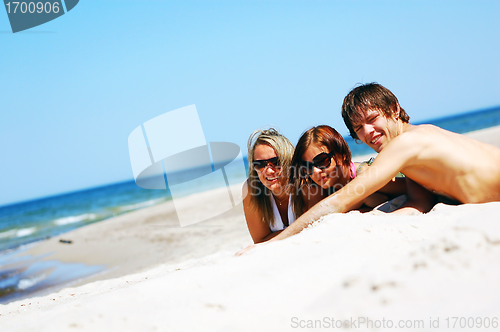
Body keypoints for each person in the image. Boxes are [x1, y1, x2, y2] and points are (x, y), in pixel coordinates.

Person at [238, 82, 500, 253]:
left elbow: (340, 200)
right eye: (358, 129)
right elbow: (420, 202)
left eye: (373, 119)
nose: (368, 133)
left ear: (394, 109)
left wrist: (272, 245)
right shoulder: (415, 149)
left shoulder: (405, 144)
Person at [288, 125, 399, 216]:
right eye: (307, 167)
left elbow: (404, 189)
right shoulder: (319, 187)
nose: (315, 171)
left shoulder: (365, 173)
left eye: (321, 161)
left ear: (342, 154)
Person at [242, 128, 296, 243]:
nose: (269, 171)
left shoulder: (303, 183)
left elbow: (315, 225)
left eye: (275, 162)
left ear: (288, 159)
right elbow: (259, 240)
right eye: (260, 164)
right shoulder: (251, 190)